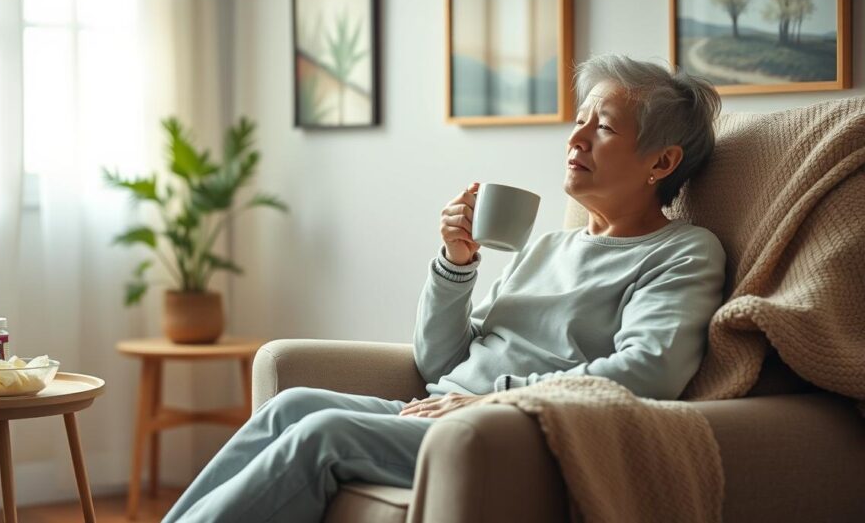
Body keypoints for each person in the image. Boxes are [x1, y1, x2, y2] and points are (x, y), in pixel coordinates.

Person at [162, 55, 726, 523]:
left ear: (662, 161)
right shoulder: (548, 246)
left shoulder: (683, 252)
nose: (575, 137)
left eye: (601, 126)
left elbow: (648, 369)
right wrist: (458, 264)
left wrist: (494, 398)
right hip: (445, 410)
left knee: (325, 433)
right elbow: (439, 363)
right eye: (578, 120)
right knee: (292, 405)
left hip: (514, 431)